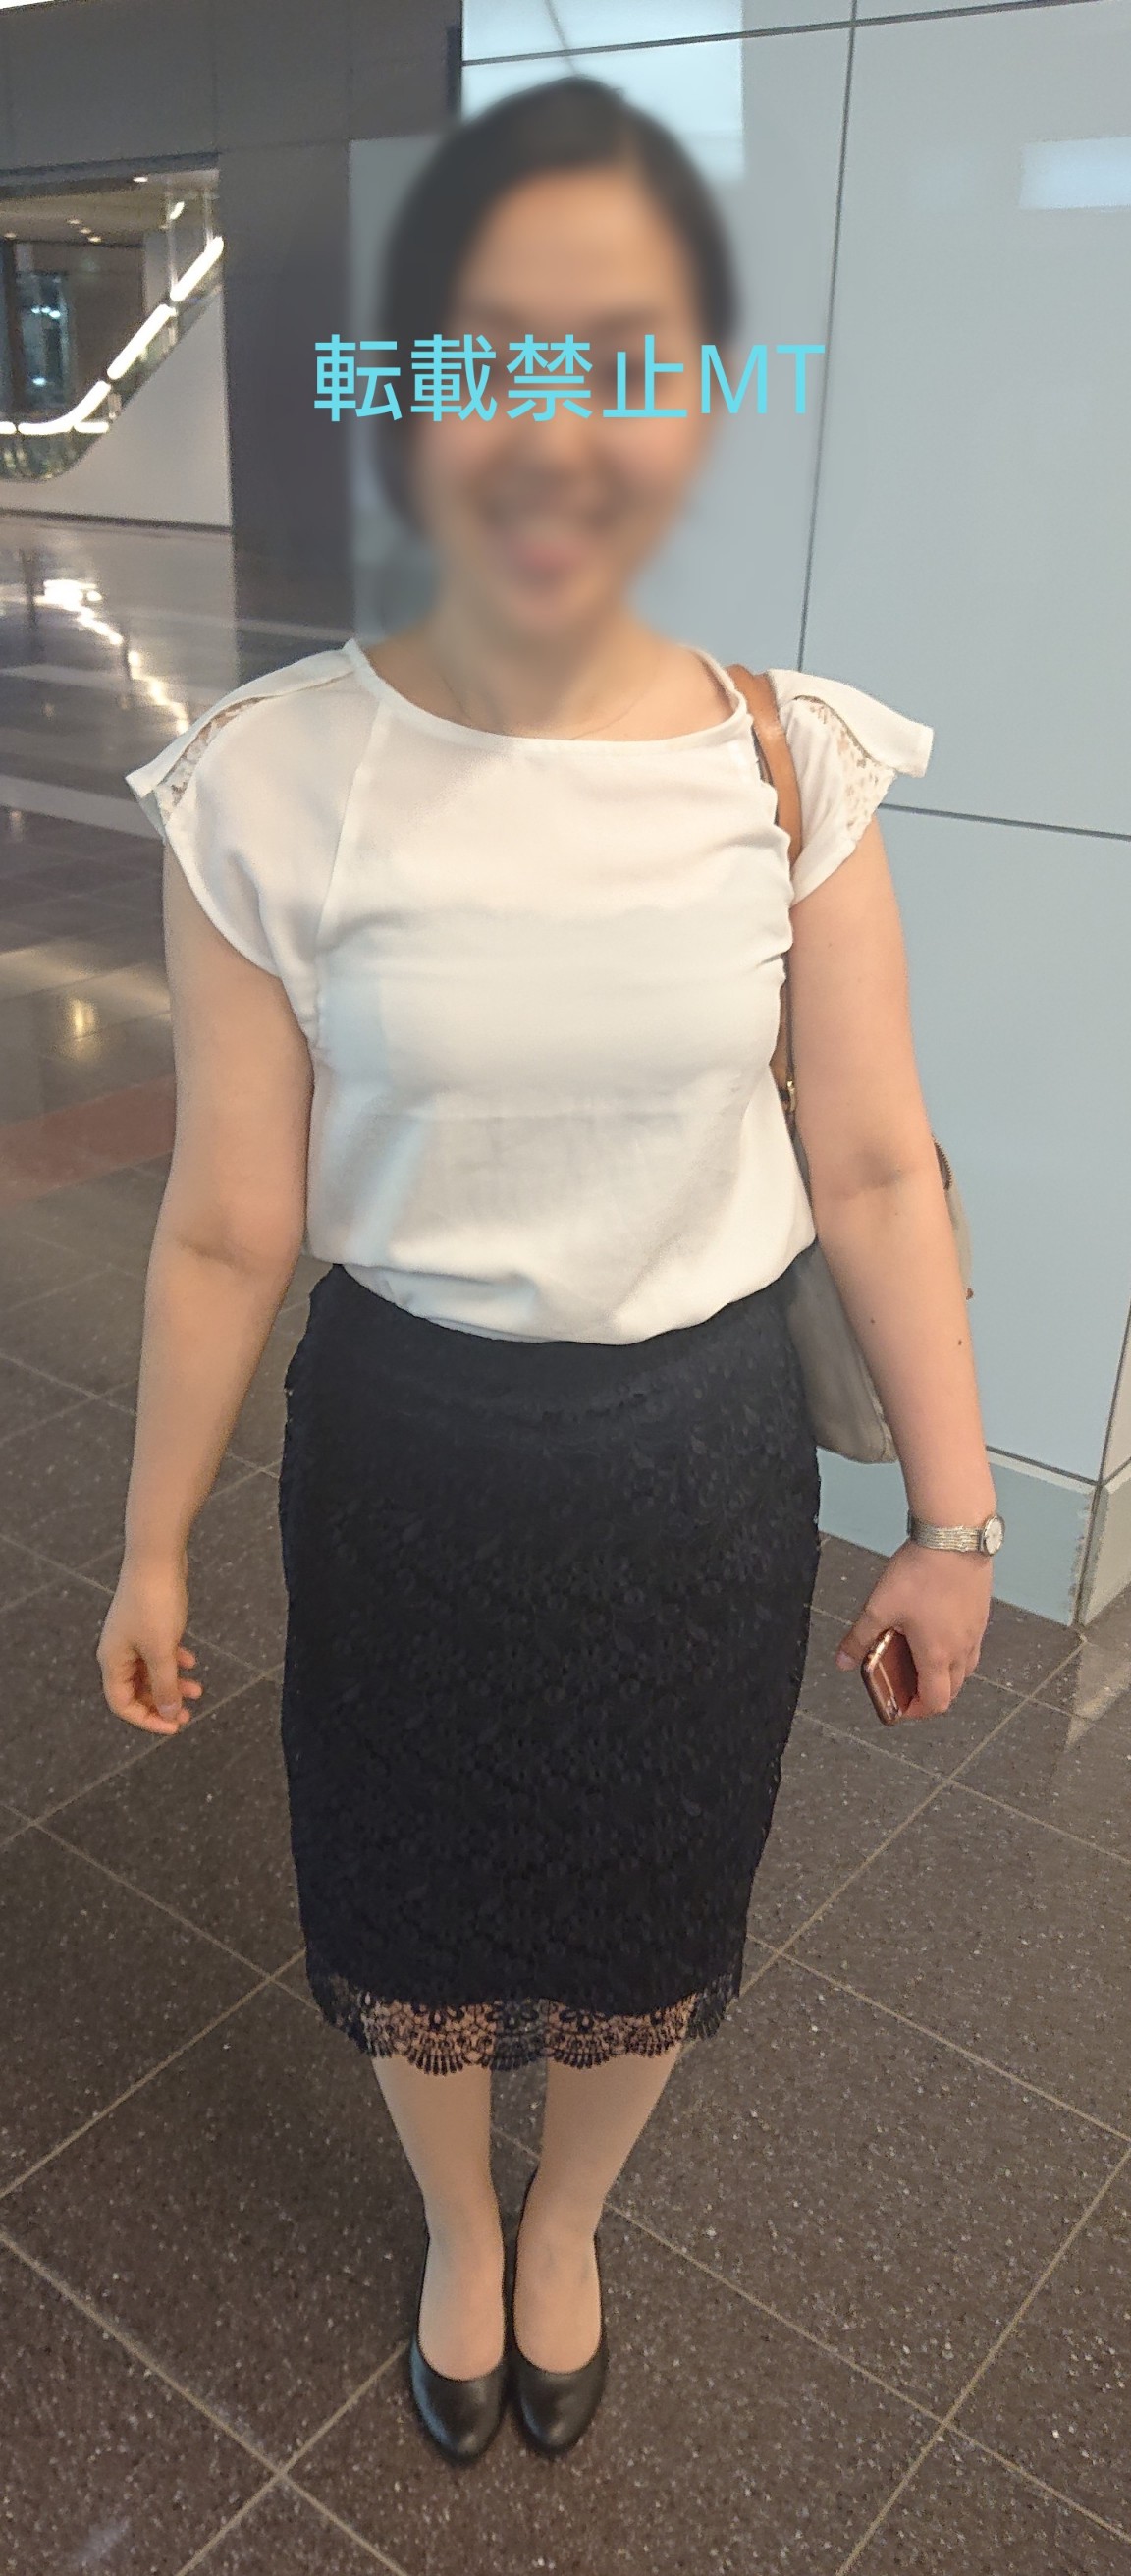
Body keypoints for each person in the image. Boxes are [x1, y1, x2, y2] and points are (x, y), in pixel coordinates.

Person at [99, 77, 999, 2466]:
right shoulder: (269, 782)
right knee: (406, 1892)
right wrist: (153, 1536)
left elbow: (875, 1163)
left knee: (645, 1899)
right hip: (407, 1451)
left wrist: (950, 1514)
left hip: (694, 1463)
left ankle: (570, 2211)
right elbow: (227, 1216)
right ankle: (455, 2220)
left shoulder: (789, 766)